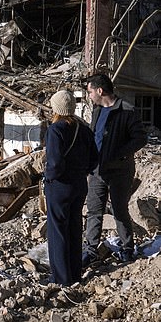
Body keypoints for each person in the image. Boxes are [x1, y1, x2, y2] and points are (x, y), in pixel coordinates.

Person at [83, 73, 147, 266]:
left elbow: (140, 138)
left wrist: (120, 154)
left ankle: (127, 248)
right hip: (97, 171)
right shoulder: (96, 111)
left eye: (90, 91)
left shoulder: (127, 110)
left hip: (120, 171)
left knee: (119, 209)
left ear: (100, 91)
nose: (90, 95)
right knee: (94, 210)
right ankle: (90, 250)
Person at [44, 90, 98, 285]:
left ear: (55, 108)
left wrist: (49, 178)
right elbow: (94, 160)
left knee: (57, 231)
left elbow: (55, 164)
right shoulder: (84, 129)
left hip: (60, 187)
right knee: (75, 229)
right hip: (79, 185)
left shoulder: (55, 130)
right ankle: (75, 274)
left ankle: (61, 279)